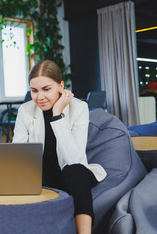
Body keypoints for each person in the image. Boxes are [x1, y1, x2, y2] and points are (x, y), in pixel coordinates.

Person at [13, 60, 106, 234]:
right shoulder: (25, 110)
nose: (39, 97)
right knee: (33, 175)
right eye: (34, 91)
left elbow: (75, 159)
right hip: (42, 173)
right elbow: (18, 155)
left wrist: (57, 115)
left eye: (46, 89)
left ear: (60, 86)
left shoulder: (79, 108)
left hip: (72, 173)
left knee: (75, 171)